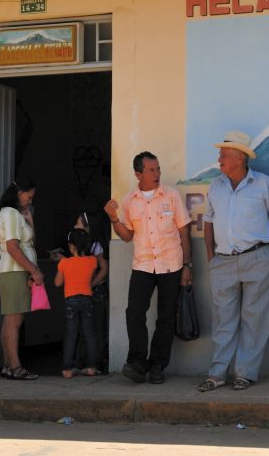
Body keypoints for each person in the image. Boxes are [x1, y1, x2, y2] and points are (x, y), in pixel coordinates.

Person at [198, 131, 269, 392]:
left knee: (254, 319)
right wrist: (211, 257)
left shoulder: (263, 184)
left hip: (257, 257)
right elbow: (209, 221)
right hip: (223, 261)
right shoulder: (216, 186)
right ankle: (217, 373)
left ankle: (244, 373)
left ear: (240, 158)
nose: (219, 159)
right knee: (223, 320)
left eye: (224, 155)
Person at [105, 151, 192, 384]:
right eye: (152, 170)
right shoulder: (129, 200)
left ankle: (157, 365)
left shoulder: (171, 195)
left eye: (158, 169)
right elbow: (126, 236)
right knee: (134, 313)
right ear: (138, 174)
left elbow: (184, 231)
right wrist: (114, 219)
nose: (157, 173)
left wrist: (187, 266)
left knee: (166, 316)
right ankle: (137, 362)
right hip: (143, 264)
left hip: (171, 264)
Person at [0, 177, 44, 381]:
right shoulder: (12, 214)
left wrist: (30, 221)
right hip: (15, 271)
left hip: (10, 271)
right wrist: (34, 271)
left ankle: (8, 365)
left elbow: (26, 243)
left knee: (10, 319)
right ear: (19, 193)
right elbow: (13, 247)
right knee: (15, 321)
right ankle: (16, 366)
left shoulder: (8, 214)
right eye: (29, 196)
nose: (30, 201)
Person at [51, 210, 110, 371]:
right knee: (88, 331)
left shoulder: (95, 246)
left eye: (78, 224)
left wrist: (89, 284)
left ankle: (86, 364)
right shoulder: (89, 255)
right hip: (87, 294)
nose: (74, 226)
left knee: (87, 330)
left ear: (87, 227)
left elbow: (104, 269)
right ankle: (85, 364)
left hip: (94, 292)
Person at [54, 228, 100, 378]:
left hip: (71, 301)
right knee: (89, 334)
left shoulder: (64, 263)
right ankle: (92, 367)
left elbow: (57, 283)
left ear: (71, 246)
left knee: (71, 334)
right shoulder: (92, 261)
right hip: (87, 299)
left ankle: (67, 369)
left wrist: (61, 264)